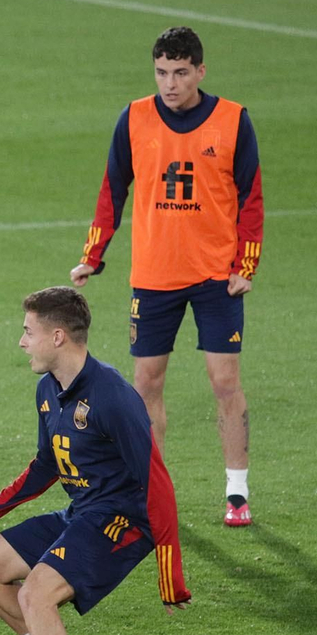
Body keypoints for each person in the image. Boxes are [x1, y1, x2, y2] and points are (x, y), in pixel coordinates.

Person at [0, 287, 189, 635]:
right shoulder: (47, 391)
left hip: (121, 521)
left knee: (36, 594)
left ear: (57, 337)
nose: (21, 342)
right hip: (81, 511)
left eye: (28, 332)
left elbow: (158, 484)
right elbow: (45, 468)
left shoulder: (113, 397)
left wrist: (169, 569)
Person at [70, 26, 263, 527]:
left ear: (201, 70)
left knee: (224, 381)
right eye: (161, 73)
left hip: (216, 278)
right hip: (154, 276)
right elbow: (113, 188)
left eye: (180, 73)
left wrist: (245, 266)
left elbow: (251, 198)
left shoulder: (233, 121)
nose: (170, 83)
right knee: (146, 381)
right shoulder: (133, 118)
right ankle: (154, 491)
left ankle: (237, 492)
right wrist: (94, 255)